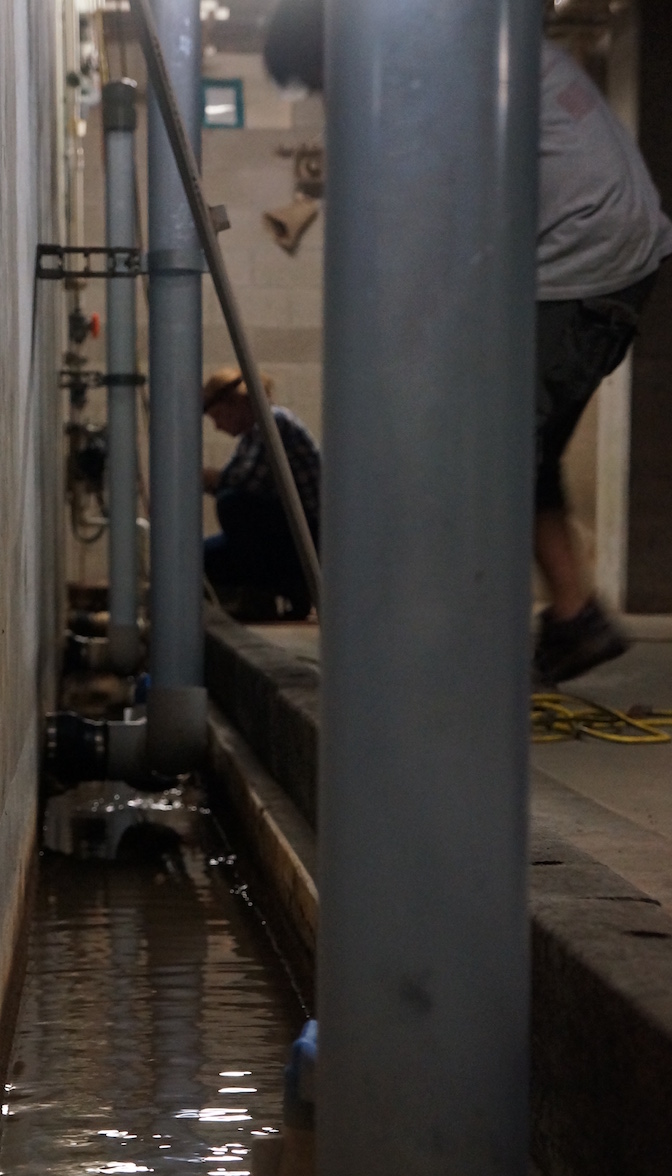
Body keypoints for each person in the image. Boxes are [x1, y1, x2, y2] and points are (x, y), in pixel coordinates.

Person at [264, 0, 672, 684]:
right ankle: (575, 618)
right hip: (609, 260)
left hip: (580, 259)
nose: (332, 98)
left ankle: (455, 647)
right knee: (517, 450)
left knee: (482, 449)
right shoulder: (461, 54)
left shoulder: (435, 67)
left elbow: (425, 221)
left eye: (323, 83)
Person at [202, 367, 321, 622]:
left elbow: (243, 485)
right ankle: (268, 588)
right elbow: (234, 479)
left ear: (240, 404)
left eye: (220, 416)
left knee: (232, 504)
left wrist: (206, 478)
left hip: (309, 536)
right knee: (200, 559)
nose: (218, 427)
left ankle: (272, 591)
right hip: (285, 533)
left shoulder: (274, 422)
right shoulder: (251, 437)